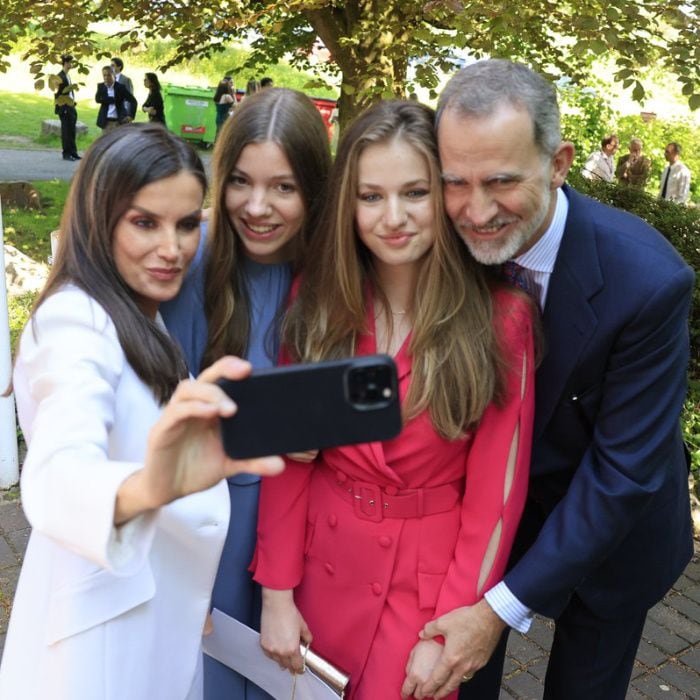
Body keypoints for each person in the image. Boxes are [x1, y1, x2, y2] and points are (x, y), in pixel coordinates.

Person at [417, 58, 694, 700]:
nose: (475, 211)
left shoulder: (649, 282)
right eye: (455, 182)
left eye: (501, 182)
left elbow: (622, 472)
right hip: (489, 528)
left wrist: (499, 610)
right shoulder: (447, 246)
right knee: (460, 676)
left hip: (614, 539)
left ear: (560, 163)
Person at [252, 99, 536, 700]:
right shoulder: (321, 301)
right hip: (321, 570)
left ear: (444, 195)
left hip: (425, 592)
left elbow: (496, 500)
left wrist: (454, 625)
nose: (393, 217)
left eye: (414, 192)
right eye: (371, 196)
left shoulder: (499, 320)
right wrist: (276, 593)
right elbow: (288, 461)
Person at [0, 123, 284, 700]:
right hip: (99, 657)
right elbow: (57, 473)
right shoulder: (75, 322)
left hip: (152, 626)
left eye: (185, 224)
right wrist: (150, 484)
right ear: (97, 216)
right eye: (145, 222)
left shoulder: (136, 308)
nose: (173, 248)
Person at [160, 87, 332, 700]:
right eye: (240, 181)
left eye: (283, 187)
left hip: (309, 538)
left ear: (315, 187)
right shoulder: (189, 263)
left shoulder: (337, 276)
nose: (257, 207)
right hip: (213, 533)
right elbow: (161, 419)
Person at [51, 54, 80, 161]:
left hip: (71, 107)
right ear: (66, 63)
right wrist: (63, 108)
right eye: (70, 62)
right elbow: (57, 94)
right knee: (66, 132)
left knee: (72, 131)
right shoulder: (60, 77)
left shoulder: (67, 75)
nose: (71, 64)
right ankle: (66, 153)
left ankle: (73, 152)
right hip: (65, 108)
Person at [96, 66, 137, 132]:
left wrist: (131, 115)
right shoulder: (101, 86)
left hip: (119, 121)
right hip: (106, 122)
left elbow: (133, 101)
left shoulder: (120, 88)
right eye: (104, 75)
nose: (106, 77)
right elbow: (97, 99)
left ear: (114, 75)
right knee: (107, 142)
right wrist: (111, 100)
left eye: (109, 75)